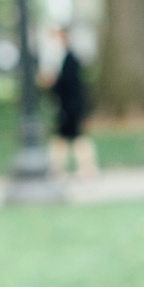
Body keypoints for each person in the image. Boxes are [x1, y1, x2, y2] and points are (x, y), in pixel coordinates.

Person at [48, 29, 98, 181]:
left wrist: (53, 84)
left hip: (70, 108)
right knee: (65, 139)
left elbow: (68, 85)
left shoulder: (70, 60)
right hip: (68, 107)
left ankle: (86, 169)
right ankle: (58, 169)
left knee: (74, 138)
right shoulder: (65, 59)